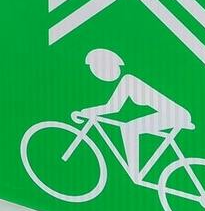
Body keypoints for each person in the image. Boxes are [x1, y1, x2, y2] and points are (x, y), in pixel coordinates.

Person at [75, 48, 192, 177]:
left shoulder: (128, 80)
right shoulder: (130, 79)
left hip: (175, 115)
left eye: (98, 68)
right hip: (174, 113)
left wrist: (87, 112)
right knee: (130, 127)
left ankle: (135, 173)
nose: (97, 72)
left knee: (130, 128)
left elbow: (113, 107)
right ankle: (138, 172)